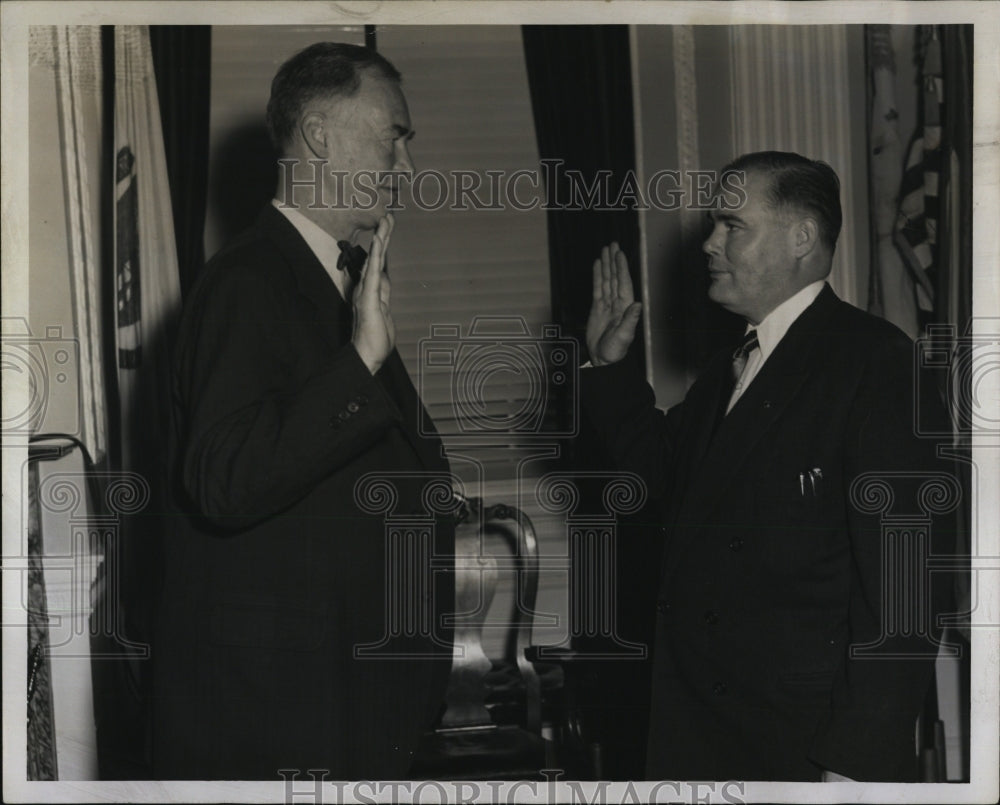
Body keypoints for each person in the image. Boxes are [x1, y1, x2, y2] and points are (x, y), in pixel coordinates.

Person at [582, 151, 955, 781]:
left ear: (801, 238)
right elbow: (656, 478)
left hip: (800, 750)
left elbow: (906, 589)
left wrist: (855, 762)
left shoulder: (877, 365)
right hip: (707, 731)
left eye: (733, 225)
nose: (708, 243)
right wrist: (608, 368)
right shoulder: (735, 366)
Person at [152, 43, 454, 780]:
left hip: (345, 690)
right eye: (395, 138)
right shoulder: (248, 280)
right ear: (320, 136)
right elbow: (225, 478)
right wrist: (360, 362)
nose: (406, 167)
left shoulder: (325, 278)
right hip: (290, 711)